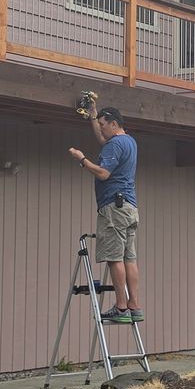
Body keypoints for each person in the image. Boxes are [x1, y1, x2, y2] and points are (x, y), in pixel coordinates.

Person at [68, 105, 141, 324]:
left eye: (102, 125)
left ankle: (120, 307)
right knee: (130, 257)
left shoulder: (115, 144)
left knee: (114, 257)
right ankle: (134, 306)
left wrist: (82, 159)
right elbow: (103, 141)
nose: (101, 129)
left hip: (114, 207)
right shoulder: (129, 142)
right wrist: (93, 116)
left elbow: (103, 173)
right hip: (129, 207)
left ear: (113, 123)